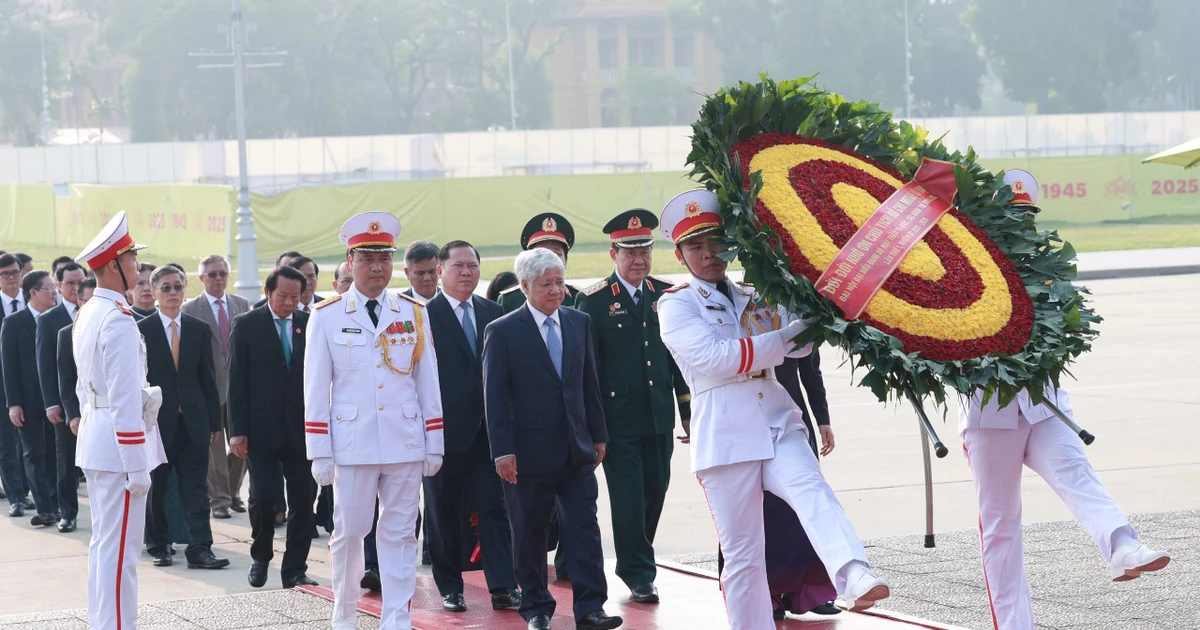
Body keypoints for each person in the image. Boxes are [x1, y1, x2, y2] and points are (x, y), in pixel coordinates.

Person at [656, 189, 888, 629]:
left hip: (777, 421)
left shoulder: (754, 292)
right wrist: (785, 339)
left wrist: (817, 307)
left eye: (716, 243)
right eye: (696, 246)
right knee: (744, 556)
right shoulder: (676, 303)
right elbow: (717, 358)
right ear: (680, 253)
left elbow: (801, 347)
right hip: (725, 436)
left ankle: (854, 574)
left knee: (812, 492)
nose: (709, 254)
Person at [959, 169, 1169, 630]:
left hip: (1045, 406)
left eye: (1026, 215)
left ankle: (1122, 547)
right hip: (989, 414)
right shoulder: (965, 266)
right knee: (999, 528)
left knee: (1080, 478)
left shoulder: (1047, 267)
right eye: (1010, 215)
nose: (1020, 223)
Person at [305, 211, 444, 630]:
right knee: (349, 532)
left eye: (384, 258)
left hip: (403, 440)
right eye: (367, 259)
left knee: (400, 533)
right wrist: (320, 451)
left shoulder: (413, 311)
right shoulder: (327, 316)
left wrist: (434, 440)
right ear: (350, 261)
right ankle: (344, 611)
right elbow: (315, 389)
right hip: (353, 443)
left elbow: (428, 382)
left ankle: (397, 616)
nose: (377, 267)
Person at [483, 247, 622, 630]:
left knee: (584, 530)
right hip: (526, 455)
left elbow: (588, 383)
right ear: (525, 286)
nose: (557, 290)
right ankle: (537, 608)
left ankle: (590, 607)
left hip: (577, 449)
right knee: (529, 533)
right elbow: (494, 398)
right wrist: (502, 451)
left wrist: (599, 435)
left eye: (560, 282)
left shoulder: (578, 322)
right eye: (547, 284)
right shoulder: (503, 330)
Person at [574, 209, 690, 604]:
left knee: (655, 491)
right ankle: (639, 572)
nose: (639, 260)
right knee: (627, 499)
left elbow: (678, 360)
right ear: (613, 254)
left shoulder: (666, 295)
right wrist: (591, 426)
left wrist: (687, 412)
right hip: (617, 422)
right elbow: (587, 369)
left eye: (645, 251)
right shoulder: (593, 300)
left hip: (659, 416)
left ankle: (637, 557)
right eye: (630, 252)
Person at [74, 211, 168, 630]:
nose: (138, 268)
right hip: (119, 447)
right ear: (114, 264)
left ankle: (103, 622)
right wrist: (136, 464)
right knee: (121, 553)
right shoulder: (119, 320)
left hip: (97, 437)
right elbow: (127, 400)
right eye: (132, 259)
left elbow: (85, 388)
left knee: (104, 546)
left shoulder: (90, 311)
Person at [424, 240, 520, 613]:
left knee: (495, 510)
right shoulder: (423, 315)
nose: (467, 272)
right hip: (442, 434)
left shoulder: (492, 310)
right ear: (441, 272)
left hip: (488, 434)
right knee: (443, 514)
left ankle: (502, 585)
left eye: (473, 266)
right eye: (459, 266)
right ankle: (451, 587)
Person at [228, 265, 318, 589]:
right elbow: (236, 380)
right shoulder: (247, 325)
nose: (290, 303)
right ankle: (261, 555)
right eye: (283, 296)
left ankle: (295, 568)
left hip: (302, 430)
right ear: (268, 293)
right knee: (263, 497)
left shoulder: (310, 325)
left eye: (296, 296)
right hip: (260, 429)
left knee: (303, 501)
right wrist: (236, 430)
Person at [139, 265, 229, 570]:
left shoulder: (198, 329)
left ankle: (200, 548)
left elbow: (208, 378)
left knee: (195, 488)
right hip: (157, 425)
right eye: (166, 288)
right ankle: (159, 545)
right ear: (154, 293)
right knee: (158, 487)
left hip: (193, 423)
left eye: (177, 287)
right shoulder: (143, 330)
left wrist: (214, 423)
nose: (173, 293)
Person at [181, 254, 251, 519]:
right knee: (214, 449)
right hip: (208, 390)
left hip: (239, 389)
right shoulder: (191, 309)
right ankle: (219, 500)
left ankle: (233, 492)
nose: (218, 279)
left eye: (223, 273)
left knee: (242, 445)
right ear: (201, 278)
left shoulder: (241, 304)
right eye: (212, 274)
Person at [3, 270, 63, 527]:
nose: (54, 292)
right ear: (34, 293)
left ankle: (56, 503)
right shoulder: (15, 322)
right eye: (49, 288)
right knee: (33, 453)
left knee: (55, 454)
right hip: (27, 401)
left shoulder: (58, 319)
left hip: (55, 399)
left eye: (54, 287)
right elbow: (8, 365)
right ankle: (44, 507)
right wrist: (13, 403)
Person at [35, 262, 87, 532]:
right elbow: (45, 365)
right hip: (66, 404)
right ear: (59, 285)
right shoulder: (49, 320)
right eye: (70, 283)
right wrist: (52, 403)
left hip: (96, 400)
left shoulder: (96, 313)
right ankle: (67, 512)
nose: (76, 288)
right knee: (65, 461)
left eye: (81, 281)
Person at [55, 276, 96, 533]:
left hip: (105, 413)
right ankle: (67, 514)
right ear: (79, 302)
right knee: (68, 467)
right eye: (89, 301)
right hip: (77, 415)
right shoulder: (65, 334)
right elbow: (65, 379)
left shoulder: (115, 329)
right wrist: (73, 415)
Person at [497, 214, 582, 312]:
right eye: (542, 254)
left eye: (556, 254)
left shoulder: (578, 297)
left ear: (566, 260)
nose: (550, 260)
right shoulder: (510, 299)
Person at [0, 254, 31, 513]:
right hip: (2, 385)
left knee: (30, 443)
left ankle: (30, 490)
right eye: (4, 273)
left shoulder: (33, 302)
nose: (10, 277)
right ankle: (16, 497)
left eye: (14, 272)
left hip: (33, 383)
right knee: (6, 444)